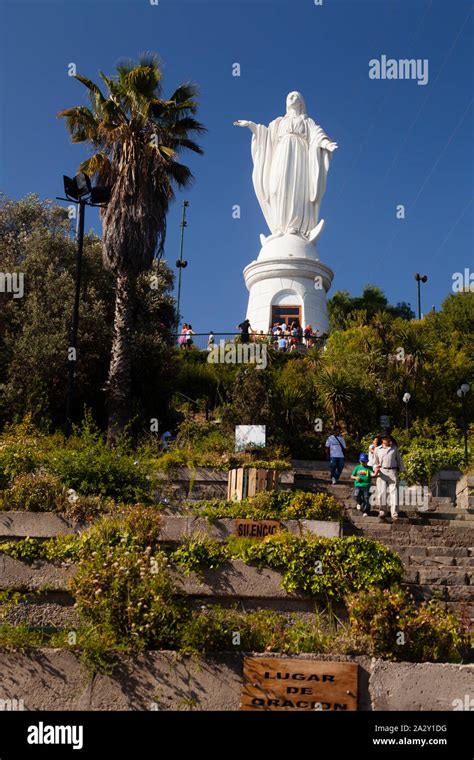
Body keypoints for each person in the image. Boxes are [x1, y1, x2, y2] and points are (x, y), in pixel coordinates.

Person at [373, 434, 405, 520]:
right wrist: (375, 469)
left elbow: (399, 460)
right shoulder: (377, 450)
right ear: (382, 440)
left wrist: (403, 471)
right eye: (386, 438)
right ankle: (382, 511)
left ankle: (394, 514)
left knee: (394, 493)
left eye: (389, 438)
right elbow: (375, 462)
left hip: (392, 471)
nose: (388, 439)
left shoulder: (394, 449)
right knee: (382, 493)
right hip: (381, 472)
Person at [351, 453, 377, 517]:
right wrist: (356, 478)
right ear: (359, 461)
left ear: (367, 461)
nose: (362, 463)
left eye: (364, 461)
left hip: (366, 485)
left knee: (366, 498)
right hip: (358, 485)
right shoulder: (357, 467)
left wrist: (376, 472)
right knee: (356, 495)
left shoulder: (369, 468)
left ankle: (365, 511)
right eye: (361, 461)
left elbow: (372, 474)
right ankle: (359, 503)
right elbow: (352, 476)